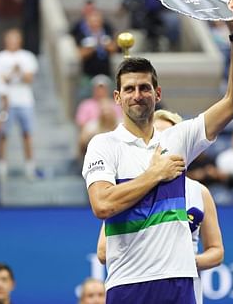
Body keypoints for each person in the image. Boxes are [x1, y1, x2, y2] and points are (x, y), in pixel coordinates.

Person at [82, 0, 233, 304]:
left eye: (145, 88)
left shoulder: (178, 138)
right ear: (117, 98)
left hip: (179, 284)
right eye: (129, 89)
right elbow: (102, 205)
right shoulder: (103, 145)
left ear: (157, 93)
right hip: (128, 284)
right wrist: (154, 174)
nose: (137, 94)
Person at [96, 109, 224, 303]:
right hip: (138, 288)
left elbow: (217, 251)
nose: (162, 147)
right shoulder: (128, 189)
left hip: (183, 290)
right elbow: (103, 251)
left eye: (169, 138)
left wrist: (182, 260)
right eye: (157, 137)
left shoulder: (199, 192)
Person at [0, 28, 39, 179]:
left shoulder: (27, 56)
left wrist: (16, 73)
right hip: (6, 102)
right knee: (3, 135)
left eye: (15, 39)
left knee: (27, 134)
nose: (13, 42)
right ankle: (1, 167)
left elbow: (29, 78)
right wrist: (15, 71)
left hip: (25, 101)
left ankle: (30, 167)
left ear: (20, 41)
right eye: (10, 39)